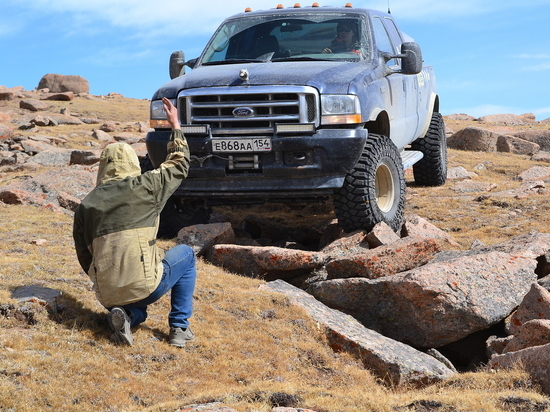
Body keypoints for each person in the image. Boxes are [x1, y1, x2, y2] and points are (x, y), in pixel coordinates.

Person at [73, 97, 197, 347]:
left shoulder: (87, 205)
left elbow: (84, 256)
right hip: (145, 285)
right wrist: (175, 125)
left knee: (133, 297)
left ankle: (128, 316)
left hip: (107, 293)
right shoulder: (147, 186)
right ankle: (179, 328)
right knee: (186, 255)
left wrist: (107, 279)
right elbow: (179, 164)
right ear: (131, 162)